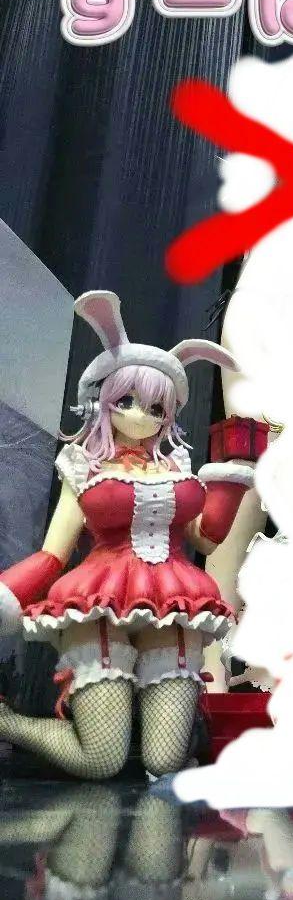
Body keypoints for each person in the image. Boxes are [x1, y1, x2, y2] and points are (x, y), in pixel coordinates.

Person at [0, 290, 252, 779]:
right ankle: (7, 722)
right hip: (100, 599)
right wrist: (10, 593)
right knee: (102, 760)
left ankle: (183, 733)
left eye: (157, 408)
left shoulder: (177, 466)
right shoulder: (84, 466)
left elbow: (203, 538)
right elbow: (54, 554)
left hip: (176, 601)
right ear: (104, 400)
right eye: (128, 401)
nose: (142, 416)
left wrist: (229, 487)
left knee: (163, 760)